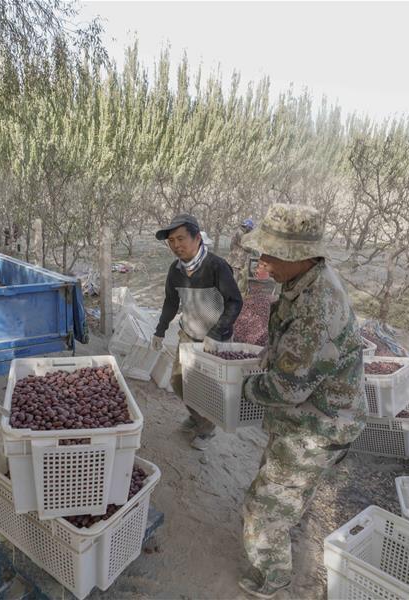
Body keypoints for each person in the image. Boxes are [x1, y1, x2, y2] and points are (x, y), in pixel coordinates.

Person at [237, 203, 365, 598]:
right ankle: (283, 532)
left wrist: (241, 387)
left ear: (300, 256)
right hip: (308, 419)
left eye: (273, 254)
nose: (266, 262)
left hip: (317, 426)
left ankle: (273, 579)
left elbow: (290, 388)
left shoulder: (316, 307)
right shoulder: (308, 282)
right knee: (286, 494)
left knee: (263, 510)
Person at [151, 214, 243, 450]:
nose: (176, 245)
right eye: (171, 241)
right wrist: (160, 329)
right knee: (179, 382)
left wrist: (217, 332)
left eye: (181, 238)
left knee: (209, 389)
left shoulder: (216, 266)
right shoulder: (175, 270)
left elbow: (234, 302)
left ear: (198, 238)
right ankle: (198, 418)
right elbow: (171, 302)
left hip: (215, 340)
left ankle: (206, 429)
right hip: (188, 335)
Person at [228, 218, 255, 295]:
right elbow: (248, 248)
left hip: (234, 260)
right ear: (247, 227)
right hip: (238, 261)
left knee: (234, 276)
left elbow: (232, 246)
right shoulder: (241, 234)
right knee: (235, 278)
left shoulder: (238, 232)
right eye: (249, 228)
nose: (250, 230)